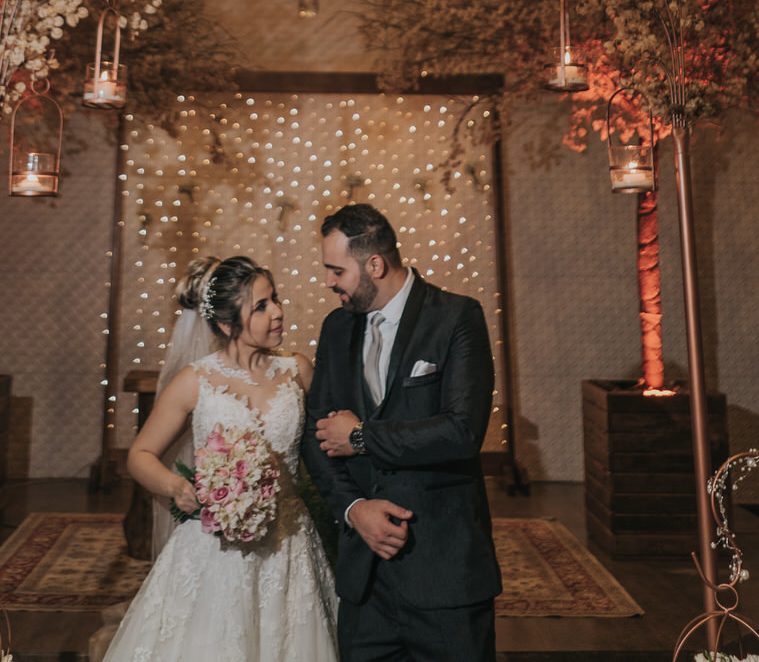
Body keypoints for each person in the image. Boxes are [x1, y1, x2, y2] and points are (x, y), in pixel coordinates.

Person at [102, 254, 339, 662]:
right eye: (262, 306)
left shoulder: (297, 370)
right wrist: (177, 486)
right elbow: (140, 455)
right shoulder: (195, 381)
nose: (279, 312)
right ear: (228, 324)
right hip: (214, 546)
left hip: (288, 543)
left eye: (276, 299)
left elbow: (324, 449)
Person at [303, 204, 502, 661]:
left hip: (445, 576)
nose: (328, 282)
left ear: (375, 265)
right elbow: (317, 439)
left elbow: (462, 431)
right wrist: (355, 509)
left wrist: (361, 437)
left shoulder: (456, 317)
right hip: (365, 583)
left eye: (336, 271)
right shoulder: (336, 328)